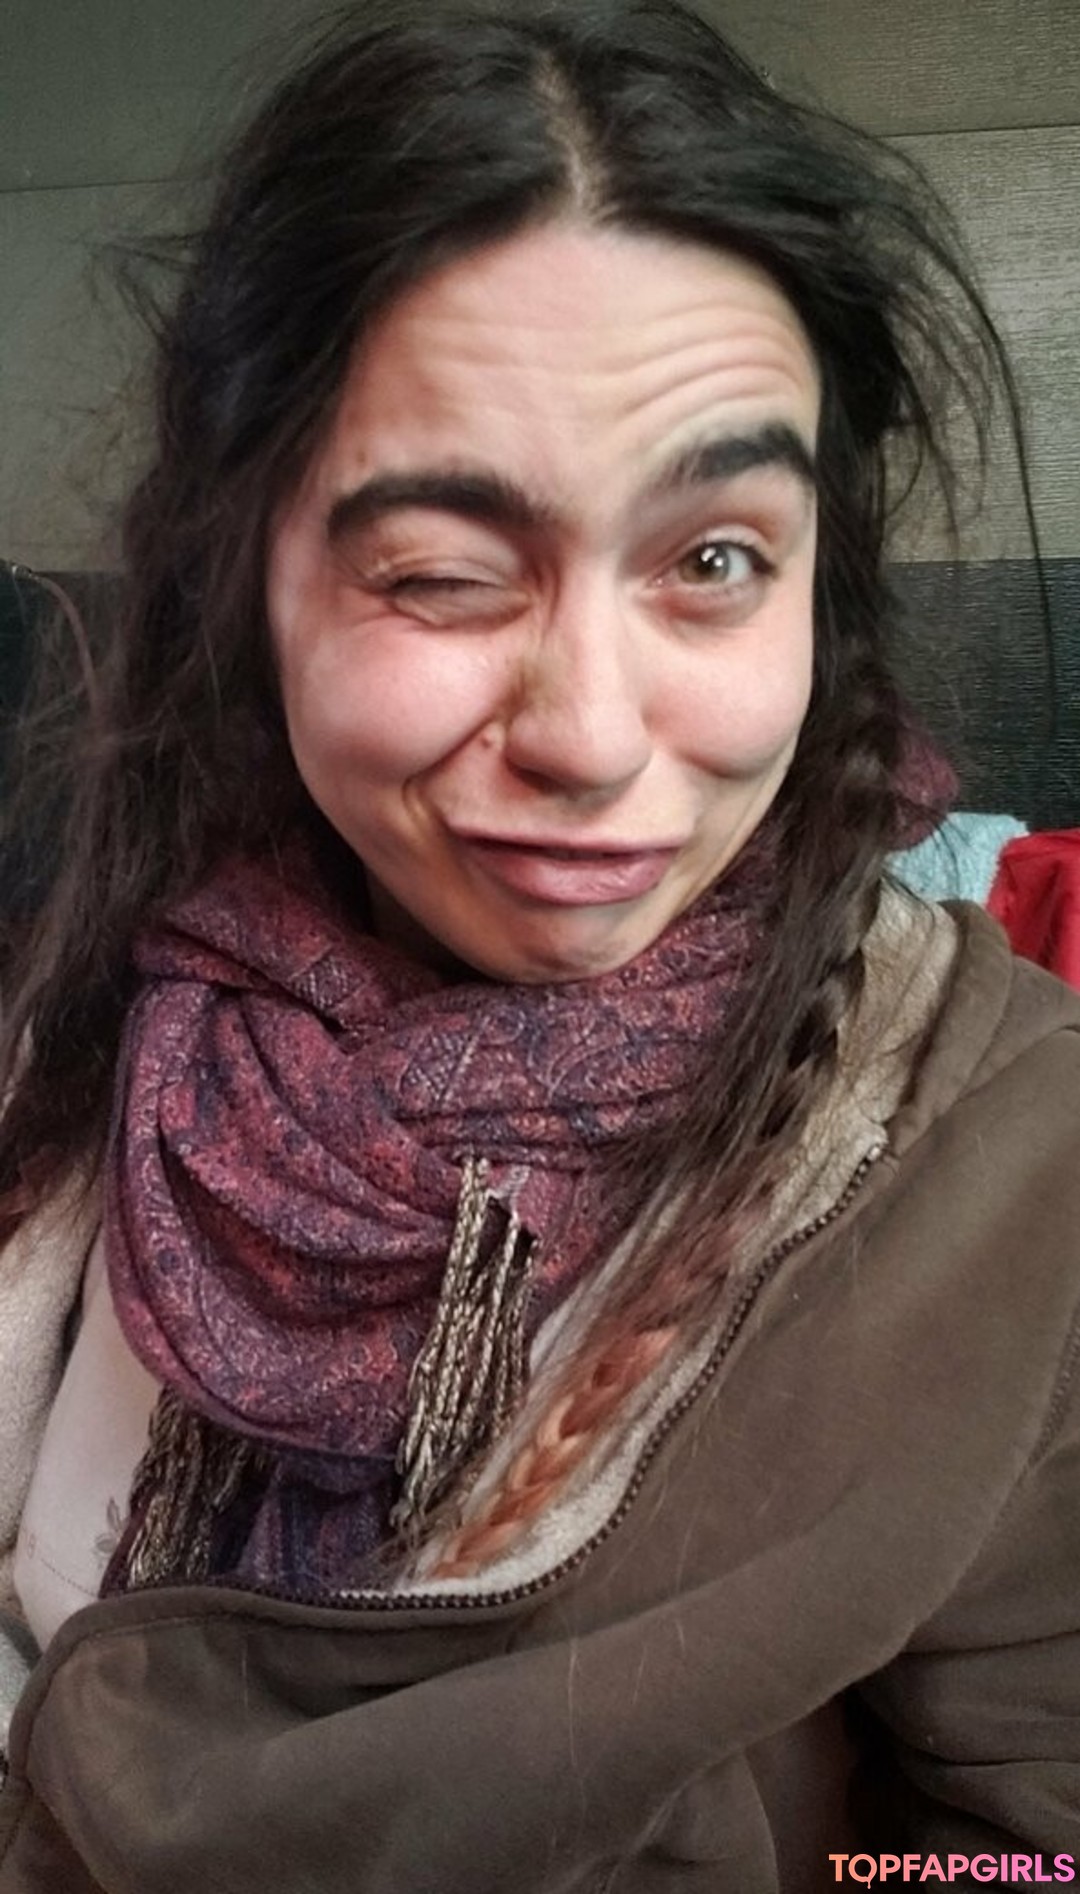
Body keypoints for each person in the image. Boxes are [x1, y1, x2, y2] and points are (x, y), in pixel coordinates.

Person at [0, 2, 1077, 1887]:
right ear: (248, 581)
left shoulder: (1015, 1173)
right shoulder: (97, 1017)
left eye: (714, 560)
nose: (588, 734)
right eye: (439, 572)